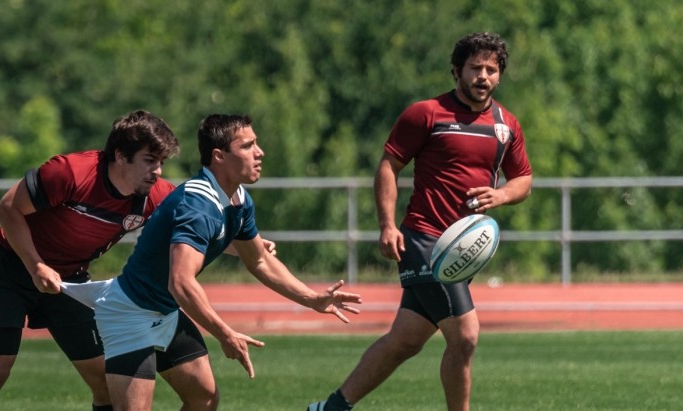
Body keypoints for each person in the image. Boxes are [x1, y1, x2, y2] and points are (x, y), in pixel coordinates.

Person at [308, 32, 533, 411]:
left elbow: (524, 180)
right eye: (475, 68)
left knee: (405, 340)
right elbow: (388, 167)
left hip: (462, 248)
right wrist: (387, 225)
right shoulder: (426, 113)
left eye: (491, 70)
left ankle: (330, 408)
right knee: (465, 336)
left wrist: (502, 194)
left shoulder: (506, 124)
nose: (483, 76)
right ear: (456, 71)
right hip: (424, 239)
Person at [88, 114, 363, 410]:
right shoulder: (198, 205)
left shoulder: (239, 200)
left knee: (204, 399)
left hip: (164, 312)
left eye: (256, 144)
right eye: (248, 146)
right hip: (130, 313)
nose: (260, 152)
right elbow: (181, 282)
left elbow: (259, 260)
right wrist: (225, 333)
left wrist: (313, 299)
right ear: (219, 156)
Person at [0, 110, 180, 411]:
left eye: (161, 162)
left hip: (68, 282)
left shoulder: (156, 196)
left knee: (103, 380)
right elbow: (8, 208)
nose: (158, 171)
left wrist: (250, 244)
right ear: (121, 156)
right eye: (150, 161)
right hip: (7, 268)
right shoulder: (70, 173)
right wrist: (35, 265)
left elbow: (195, 229)